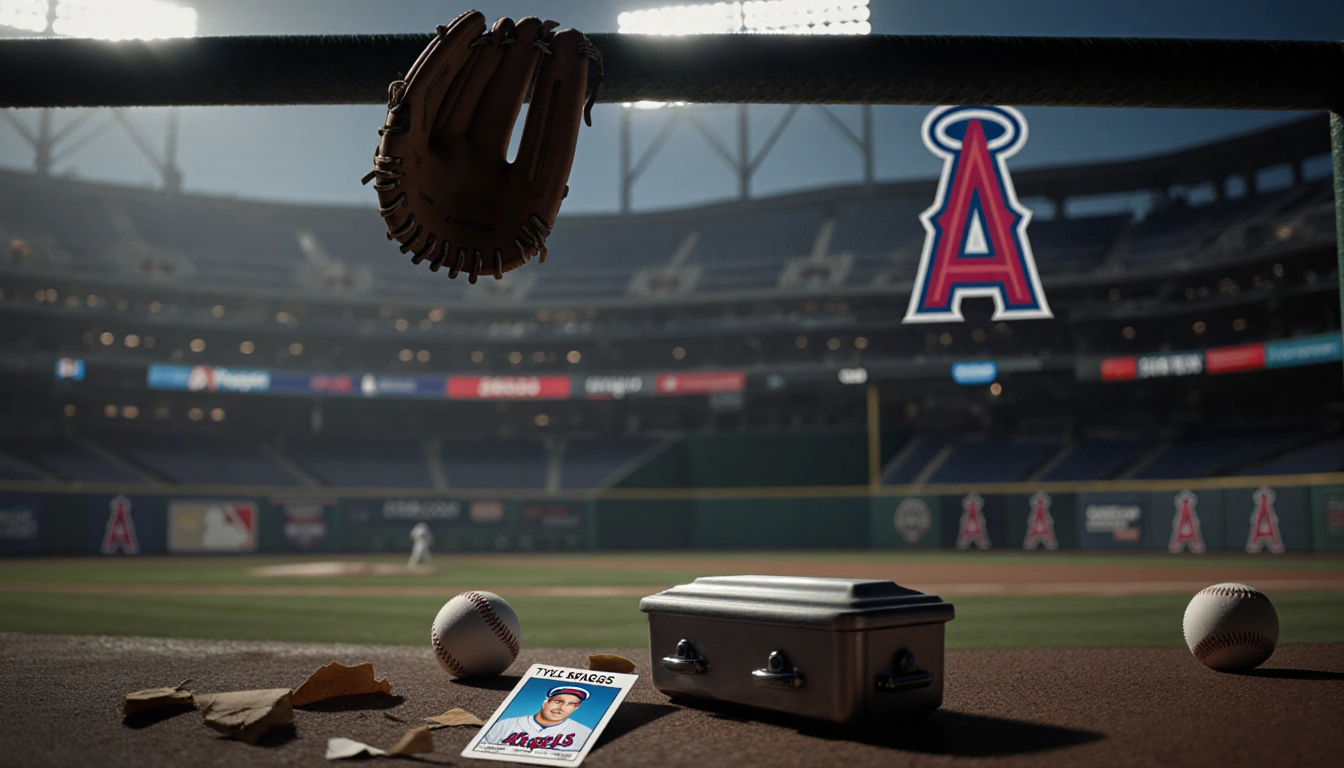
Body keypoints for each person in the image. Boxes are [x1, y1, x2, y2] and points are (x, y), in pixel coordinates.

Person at [481, 686, 593, 752]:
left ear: (575, 707)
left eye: (571, 704)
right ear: (546, 702)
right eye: (558, 701)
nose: (561, 708)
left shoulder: (585, 733)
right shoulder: (504, 725)